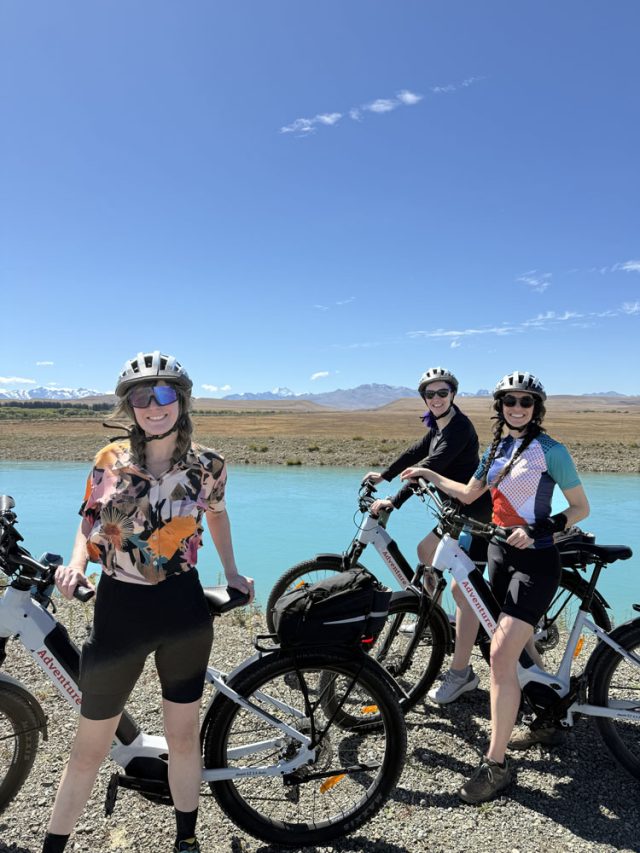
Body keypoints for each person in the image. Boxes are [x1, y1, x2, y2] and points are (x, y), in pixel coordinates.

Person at [43, 351, 254, 853]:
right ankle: (53, 847)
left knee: (183, 738)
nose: (154, 406)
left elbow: (218, 516)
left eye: (164, 395)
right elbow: (89, 522)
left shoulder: (209, 465)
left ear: (181, 402)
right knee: (89, 748)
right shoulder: (109, 461)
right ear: (130, 406)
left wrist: (231, 571)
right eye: (142, 396)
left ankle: (186, 839)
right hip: (119, 612)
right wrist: (78, 564)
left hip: (183, 609)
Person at [401, 370, 589, 804]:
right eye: (510, 402)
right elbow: (469, 494)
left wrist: (542, 527)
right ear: (501, 407)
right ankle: (547, 717)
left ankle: (496, 764)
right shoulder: (498, 448)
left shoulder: (551, 451)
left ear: (536, 409)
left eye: (525, 402)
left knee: (500, 654)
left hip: (537, 561)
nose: (517, 408)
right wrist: (427, 473)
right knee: (513, 646)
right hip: (500, 556)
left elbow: (580, 508)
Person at [363, 366, 492, 704]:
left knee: (464, 591)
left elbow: (428, 467)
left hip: (475, 515)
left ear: (452, 394)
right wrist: (384, 476)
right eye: (430, 394)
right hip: (454, 512)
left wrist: (394, 500)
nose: (436, 399)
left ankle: (462, 672)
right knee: (425, 552)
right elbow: (414, 453)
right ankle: (433, 616)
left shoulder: (459, 428)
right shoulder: (437, 425)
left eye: (442, 393)